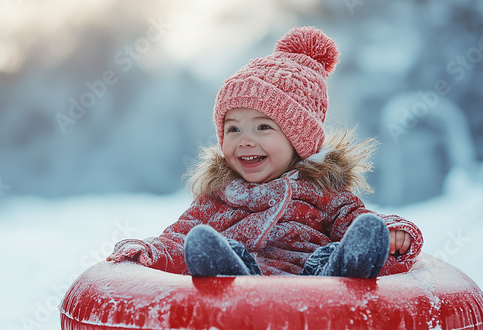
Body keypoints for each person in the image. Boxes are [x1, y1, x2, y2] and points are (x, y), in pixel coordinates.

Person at [106, 26, 423, 278]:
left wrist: (391, 231)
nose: (244, 141)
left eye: (263, 128)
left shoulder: (323, 192)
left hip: (315, 283)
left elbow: (357, 220)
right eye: (233, 129)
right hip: (243, 277)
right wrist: (147, 249)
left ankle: (349, 266)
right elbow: (178, 236)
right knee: (215, 246)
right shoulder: (222, 196)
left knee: (332, 256)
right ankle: (220, 268)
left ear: (298, 139)